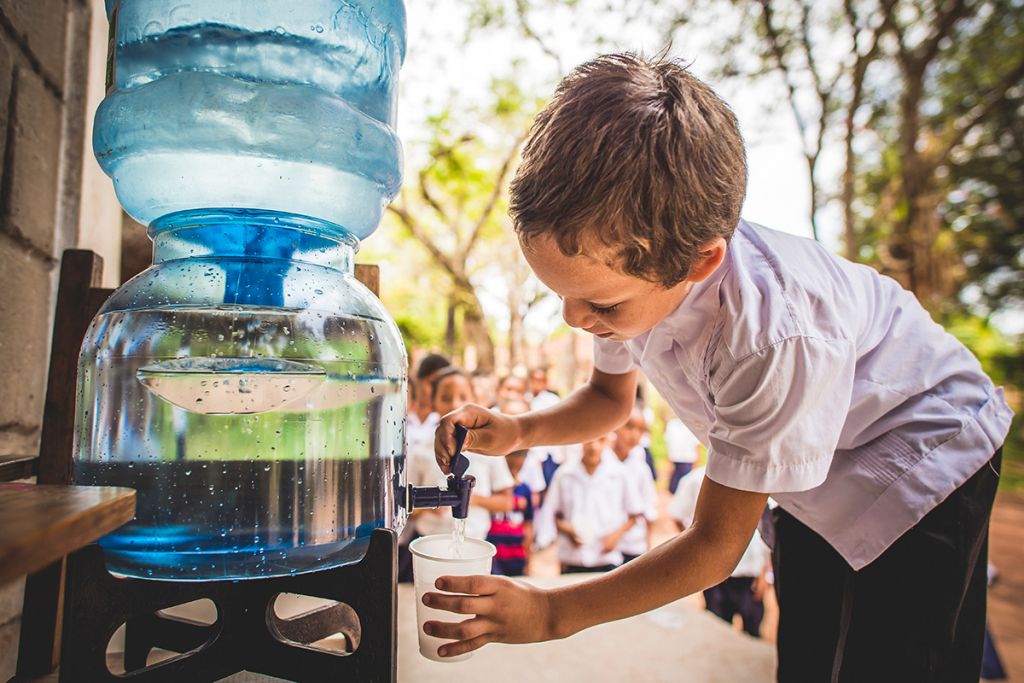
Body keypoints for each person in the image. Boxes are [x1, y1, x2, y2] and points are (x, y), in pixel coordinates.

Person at [424, 52, 1012, 682]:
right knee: (809, 652)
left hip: (922, 448)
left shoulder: (770, 335)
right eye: (560, 295)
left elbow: (712, 549)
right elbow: (607, 397)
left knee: (893, 658)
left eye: (598, 303)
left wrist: (551, 614)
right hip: (813, 476)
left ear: (699, 263)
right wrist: (520, 431)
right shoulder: (631, 275)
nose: (573, 319)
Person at [408, 368, 516, 543]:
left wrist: (470, 498)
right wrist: (428, 507)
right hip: (429, 543)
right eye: (445, 398)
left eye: (463, 397)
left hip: (474, 542)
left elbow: (507, 501)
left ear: (474, 401)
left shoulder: (489, 450)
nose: (454, 404)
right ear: (433, 402)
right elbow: (405, 506)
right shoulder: (421, 451)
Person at [669, 466, 769, 638]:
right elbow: (678, 514)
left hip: (749, 575)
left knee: (752, 628)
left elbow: (769, 531)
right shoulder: (695, 480)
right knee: (717, 626)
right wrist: (696, 551)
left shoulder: (765, 479)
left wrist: (764, 574)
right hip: (713, 574)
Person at [535, 434, 640, 573]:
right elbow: (553, 513)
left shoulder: (620, 474)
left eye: (600, 440)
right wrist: (569, 530)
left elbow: (634, 514)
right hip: (572, 559)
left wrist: (615, 535)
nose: (594, 446)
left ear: (608, 441)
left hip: (607, 559)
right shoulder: (564, 474)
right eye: (589, 440)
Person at [398, 353, 451, 582]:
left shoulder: (444, 426)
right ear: (418, 381)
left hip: (427, 531)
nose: (436, 389)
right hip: (398, 529)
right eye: (433, 382)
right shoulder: (398, 415)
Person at [609, 408, 657, 563]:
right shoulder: (603, 463)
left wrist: (649, 550)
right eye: (629, 427)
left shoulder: (641, 469)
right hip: (604, 548)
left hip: (633, 546)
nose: (634, 435)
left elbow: (649, 511)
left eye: (640, 430)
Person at [664, 417, 701, 494]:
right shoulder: (672, 424)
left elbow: (697, 447)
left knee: (684, 489)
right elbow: (668, 444)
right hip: (674, 460)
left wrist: (696, 465)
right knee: (673, 489)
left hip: (687, 461)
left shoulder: (692, 425)